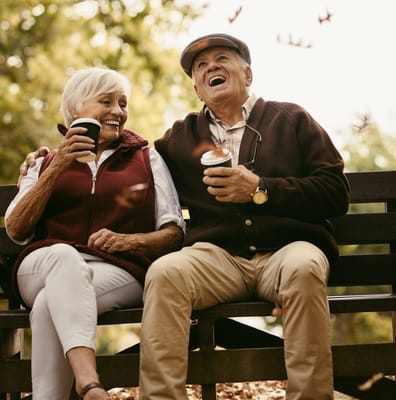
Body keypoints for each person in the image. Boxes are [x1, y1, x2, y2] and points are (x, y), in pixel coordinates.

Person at [20, 34, 350, 400]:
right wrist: (49, 158)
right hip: (218, 258)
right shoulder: (181, 138)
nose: (212, 68)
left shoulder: (291, 119)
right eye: (201, 67)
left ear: (248, 74)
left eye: (222, 59)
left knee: (305, 269)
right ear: (197, 88)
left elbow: (335, 192)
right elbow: (130, 156)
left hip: (288, 250)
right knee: (165, 273)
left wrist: (261, 189)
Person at [5, 67, 185, 400]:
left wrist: (127, 241)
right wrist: (58, 164)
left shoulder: (147, 158)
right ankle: (89, 382)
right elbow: (16, 230)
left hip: (118, 270)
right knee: (63, 257)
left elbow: (173, 232)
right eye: (107, 101)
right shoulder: (44, 163)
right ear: (75, 109)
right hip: (42, 265)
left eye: (123, 103)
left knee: (49, 304)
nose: (118, 111)